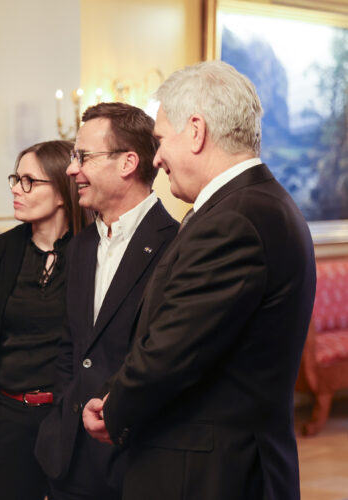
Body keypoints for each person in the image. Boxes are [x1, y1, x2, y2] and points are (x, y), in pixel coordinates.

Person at [83, 60, 317, 500]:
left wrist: (114, 409)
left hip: (210, 474)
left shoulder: (236, 220)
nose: (156, 159)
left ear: (196, 131)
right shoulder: (254, 205)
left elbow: (174, 347)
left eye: (159, 140)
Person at [34, 103, 178, 499]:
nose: (70, 169)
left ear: (128, 162)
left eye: (83, 157)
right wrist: (60, 419)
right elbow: (71, 345)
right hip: (70, 457)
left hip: (135, 457)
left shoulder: (175, 246)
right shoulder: (80, 246)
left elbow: (166, 357)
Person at [0, 140, 91, 500]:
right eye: (15, 178)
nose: (15, 189)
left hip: (67, 414)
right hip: (7, 414)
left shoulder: (92, 250)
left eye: (29, 181)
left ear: (61, 190)